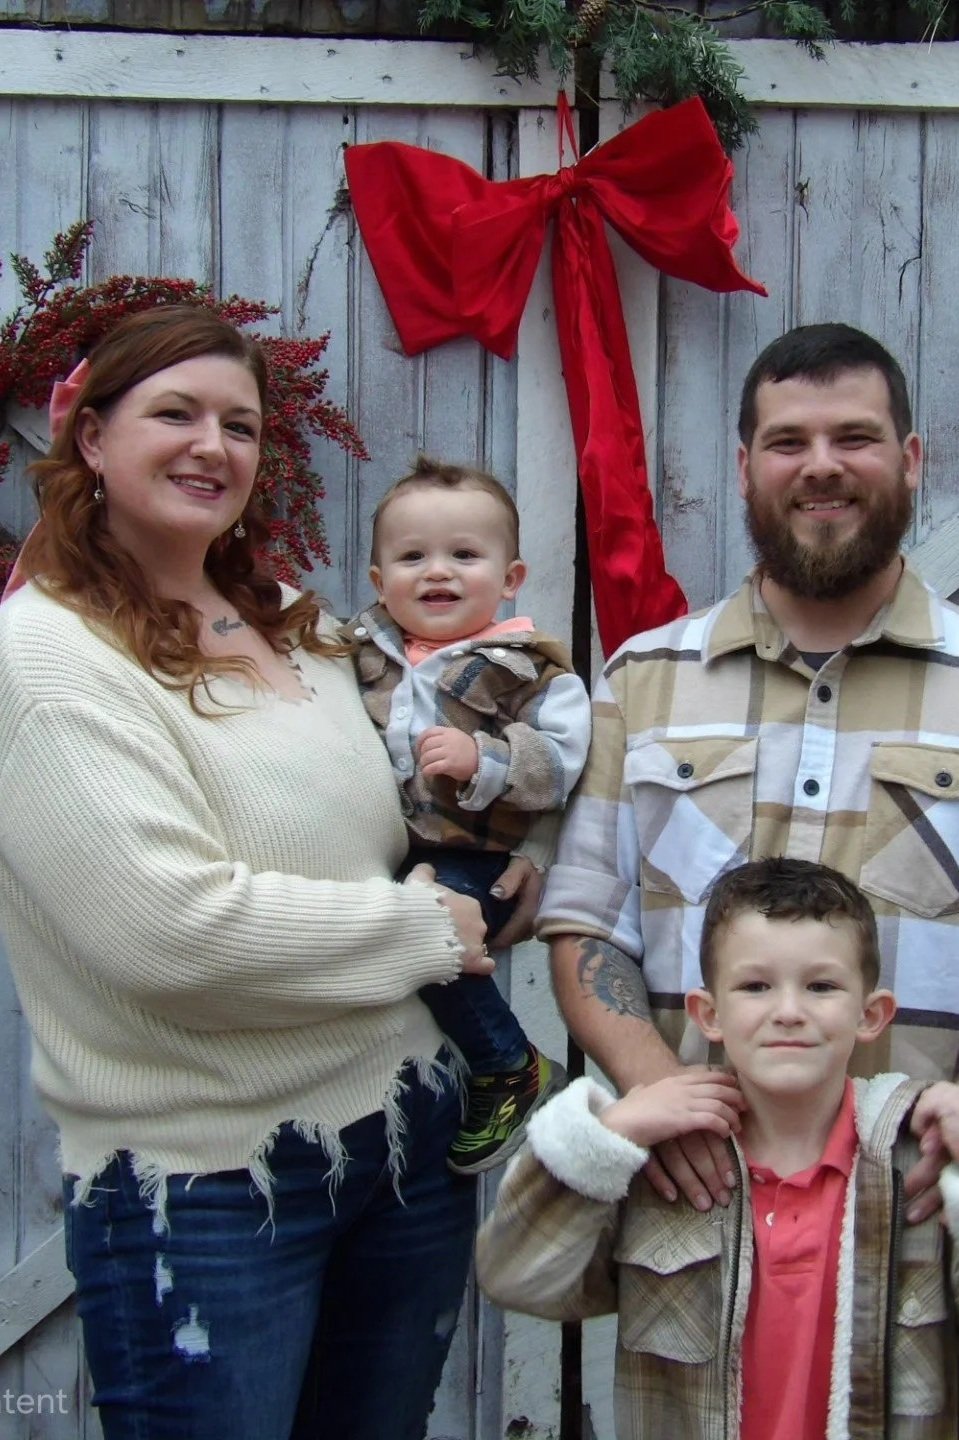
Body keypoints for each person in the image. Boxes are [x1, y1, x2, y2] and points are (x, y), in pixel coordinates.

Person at [0, 304, 538, 1440]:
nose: (213, 446)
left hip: (403, 1141)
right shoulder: (43, 658)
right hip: (207, 1186)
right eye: (175, 414)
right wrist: (431, 932)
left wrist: (504, 861)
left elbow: (388, 812)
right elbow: (167, 933)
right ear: (90, 438)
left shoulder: (288, 616)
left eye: (239, 425)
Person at [540, 322, 957, 1220]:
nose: (820, 466)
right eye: (786, 443)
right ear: (742, 469)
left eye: (853, 437)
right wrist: (661, 1096)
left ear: (911, 458)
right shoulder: (644, 682)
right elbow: (586, 922)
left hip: (918, 1199)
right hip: (695, 1202)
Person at [478, 857, 959, 1440]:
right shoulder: (660, 1164)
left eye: (822, 986)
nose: (788, 1011)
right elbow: (514, 1277)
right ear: (709, 1013)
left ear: (871, 1014)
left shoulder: (919, 1157)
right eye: (755, 986)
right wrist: (607, 1134)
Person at [341, 457, 591, 1172]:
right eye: (411, 556)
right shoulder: (359, 652)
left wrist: (485, 760)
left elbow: (563, 760)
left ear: (510, 578)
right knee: (395, 942)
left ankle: (507, 1062)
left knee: (425, 932)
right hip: (389, 849)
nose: (436, 572)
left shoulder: (531, 668)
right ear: (377, 580)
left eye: (464, 555)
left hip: (472, 852)